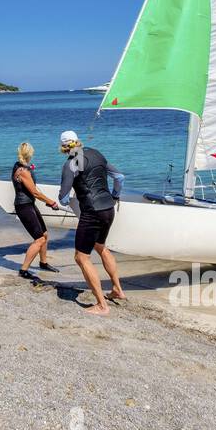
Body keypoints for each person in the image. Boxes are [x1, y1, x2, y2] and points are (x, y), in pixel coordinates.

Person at [56, 130, 126, 316]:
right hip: (108, 209)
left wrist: (65, 199)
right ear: (78, 141)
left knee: (81, 257)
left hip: (92, 212)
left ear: (64, 148)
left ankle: (102, 305)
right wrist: (115, 195)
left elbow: (63, 198)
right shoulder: (96, 153)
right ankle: (117, 289)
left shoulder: (71, 164)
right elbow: (119, 178)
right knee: (101, 247)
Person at [10, 141, 61, 278]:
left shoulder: (18, 165)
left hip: (29, 205)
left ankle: (43, 263)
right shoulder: (23, 171)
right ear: (30, 154)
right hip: (23, 206)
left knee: (44, 235)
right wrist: (51, 202)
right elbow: (35, 193)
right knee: (39, 239)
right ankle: (23, 270)